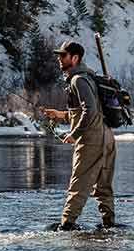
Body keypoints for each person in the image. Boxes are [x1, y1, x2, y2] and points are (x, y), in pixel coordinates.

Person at [40, 40, 118, 230]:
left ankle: (66, 226)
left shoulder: (78, 80)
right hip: (106, 137)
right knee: (103, 187)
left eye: (63, 55)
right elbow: (89, 111)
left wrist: (75, 134)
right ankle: (109, 225)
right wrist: (60, 115)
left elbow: (89, 111)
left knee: (78, 184)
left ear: (75, 58)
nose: (60, 59)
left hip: (91, 140)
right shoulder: (88, 78)